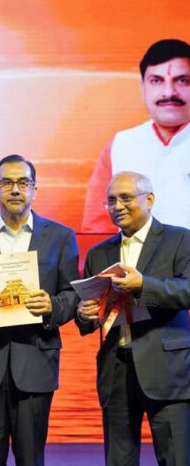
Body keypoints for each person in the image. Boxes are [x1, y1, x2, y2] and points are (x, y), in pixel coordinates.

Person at [0, 155, 80, 466]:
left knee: (31, 458)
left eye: (23, 182)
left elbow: (73, 294)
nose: (15, 189)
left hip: (36, 359)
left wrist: (52, 306)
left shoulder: (61, 237)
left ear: (35, 189)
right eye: (6, 182)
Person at [76, 171, 190, 466]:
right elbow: (91, 314)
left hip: (167, 370)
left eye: (126, 198)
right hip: (115, 369)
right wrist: (84, 315)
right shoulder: (99, 253)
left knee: (176, 458)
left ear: (149, 199)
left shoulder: (180, 239)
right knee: (119, 460)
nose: (118, 206)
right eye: (111, 200)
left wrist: (143, 286)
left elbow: (186, 291)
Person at [81, 39, 190, 233]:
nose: (168, 92)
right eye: (156, 81)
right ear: (143, 87)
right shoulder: (120, 145)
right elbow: (97, 229)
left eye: (182, 80)